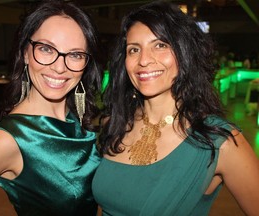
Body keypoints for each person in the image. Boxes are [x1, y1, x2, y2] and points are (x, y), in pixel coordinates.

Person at [92, 1, 259, 216]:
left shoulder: (219, 142)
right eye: (134, 49)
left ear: (184, 52)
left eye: (160, 45)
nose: (143, 60)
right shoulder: (114, 124)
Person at [0, 0, 103, 215]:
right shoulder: (6, 139)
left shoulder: (74, 120)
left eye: (76, 55)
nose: (59, 67)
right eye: (46, 49)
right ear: (25, 53)